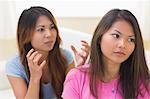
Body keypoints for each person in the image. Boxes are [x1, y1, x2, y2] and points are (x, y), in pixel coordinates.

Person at [62, 9, 150, 99]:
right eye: (116, 36)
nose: (122, 45)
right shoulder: (77, 77)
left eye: (131, 39)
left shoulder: (142, 84)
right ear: (100, 37)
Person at [5, 6, 89, 99]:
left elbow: (74, 96)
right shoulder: (14, 65)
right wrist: (35, 78)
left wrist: (79, 71)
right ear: (26, 34)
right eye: (41, 29)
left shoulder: (65, 57)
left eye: (52, 27)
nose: (49, 34)